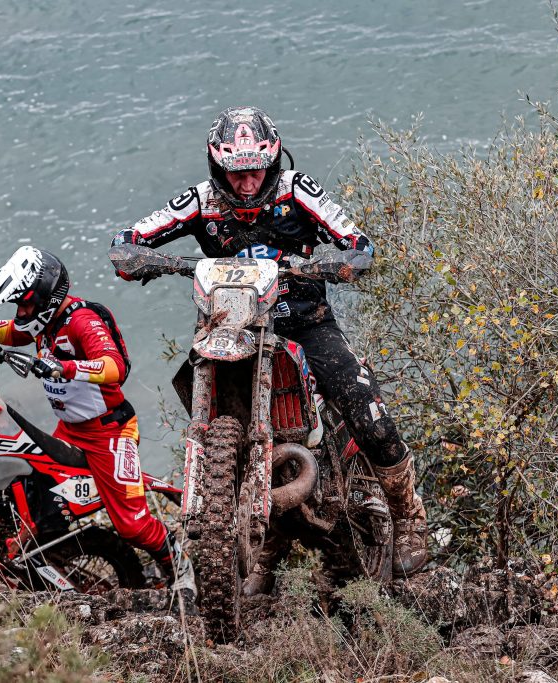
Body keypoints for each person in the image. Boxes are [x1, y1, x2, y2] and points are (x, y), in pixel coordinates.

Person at [110, 106, 428, 581]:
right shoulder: (200, 201)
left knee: (362, 400)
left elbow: (357, 240)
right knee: (217, 413)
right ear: (218, 166)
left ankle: (408, 519)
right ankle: (250, 541)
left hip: (304, 321)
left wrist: (341, 262)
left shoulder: (298, 191)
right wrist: (140, 258)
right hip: (230, 325)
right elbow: (129, 238)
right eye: (235, 174)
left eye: (256, 170)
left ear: (272, 159)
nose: (246, 184)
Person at [0, 246, 196, 602]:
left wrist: (64, 367)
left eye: (26, 303)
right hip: (69, 430)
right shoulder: (44, 321)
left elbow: (116, 366)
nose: (21, 311)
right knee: (39, 499)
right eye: (19, 305)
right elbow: (13, 332)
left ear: (45, 298)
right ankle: (52, 569)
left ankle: (181, 569)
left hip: (109, 433)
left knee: (131, 523)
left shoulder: (82, 320)